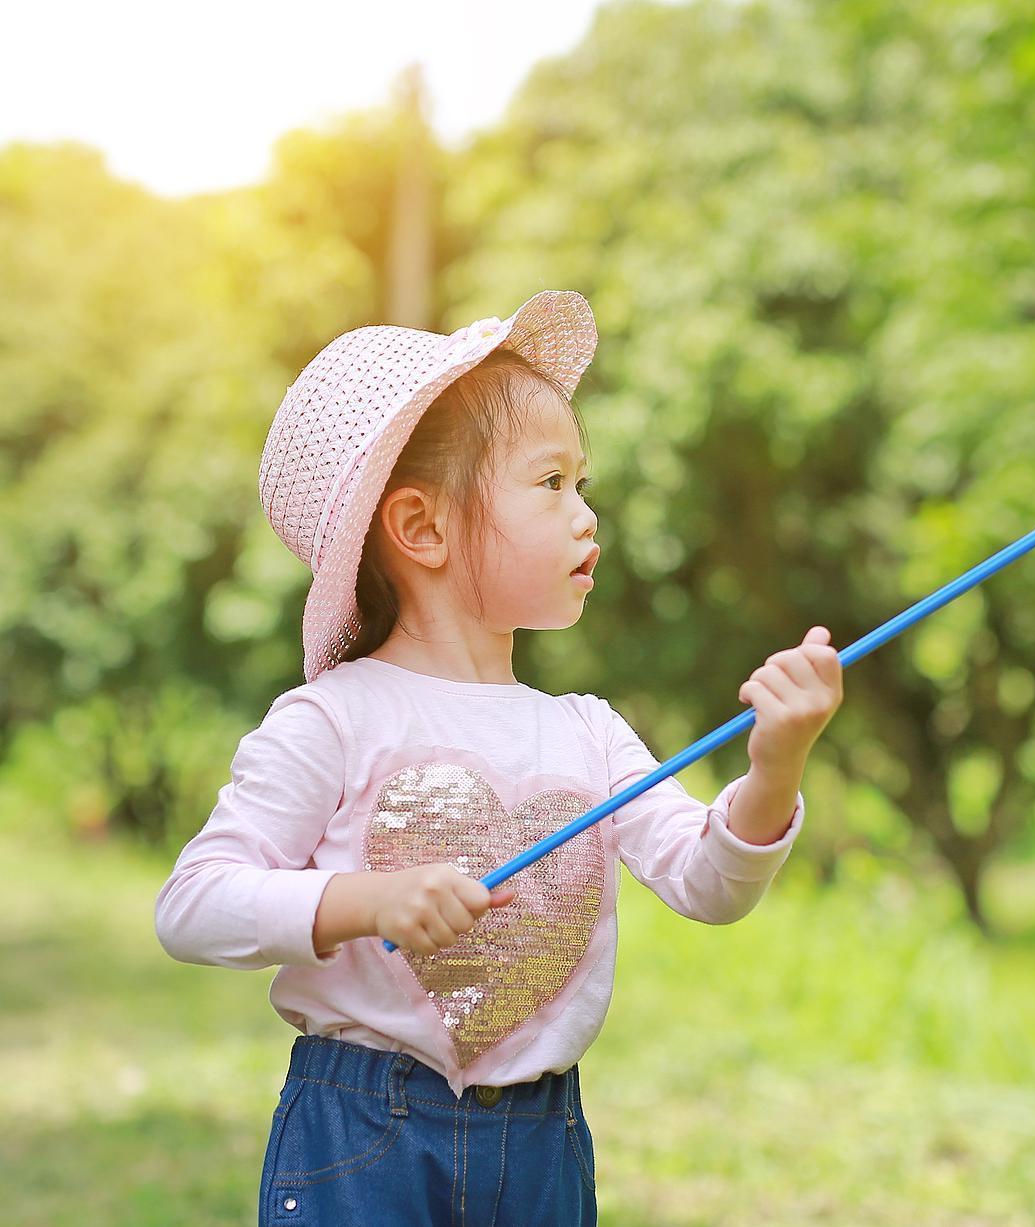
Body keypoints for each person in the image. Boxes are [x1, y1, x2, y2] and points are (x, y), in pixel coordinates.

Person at [154, 290, 843, 1226]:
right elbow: (193, 906)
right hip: (360, 1133)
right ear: (423, 528)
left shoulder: (590, 731)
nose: (587, 516)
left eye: (583, 484)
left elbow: (707, 884)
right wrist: (366, 900)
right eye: (551, 483)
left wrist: (775, 766)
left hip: (542, 1142)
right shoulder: (334, 718)